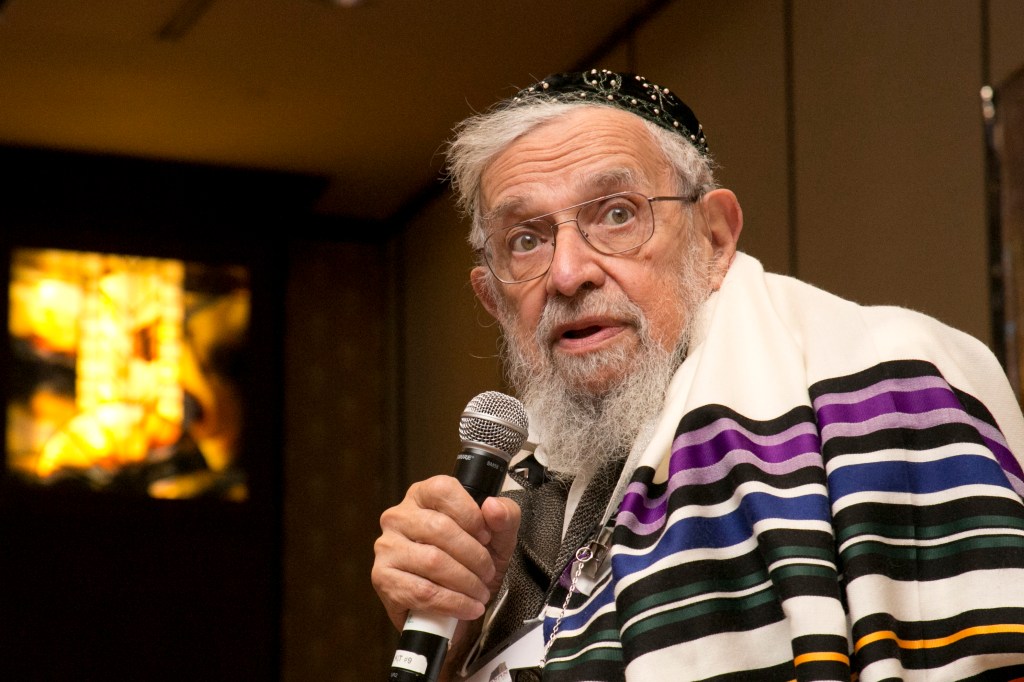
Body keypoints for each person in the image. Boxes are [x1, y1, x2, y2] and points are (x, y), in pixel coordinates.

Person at [371, 69, 1024, 681]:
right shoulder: (510, 501)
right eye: (526, 239)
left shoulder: (886, 386)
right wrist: (453, 628)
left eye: (617, 214)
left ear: (714, 239)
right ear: (493, 298)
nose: (568, 273)